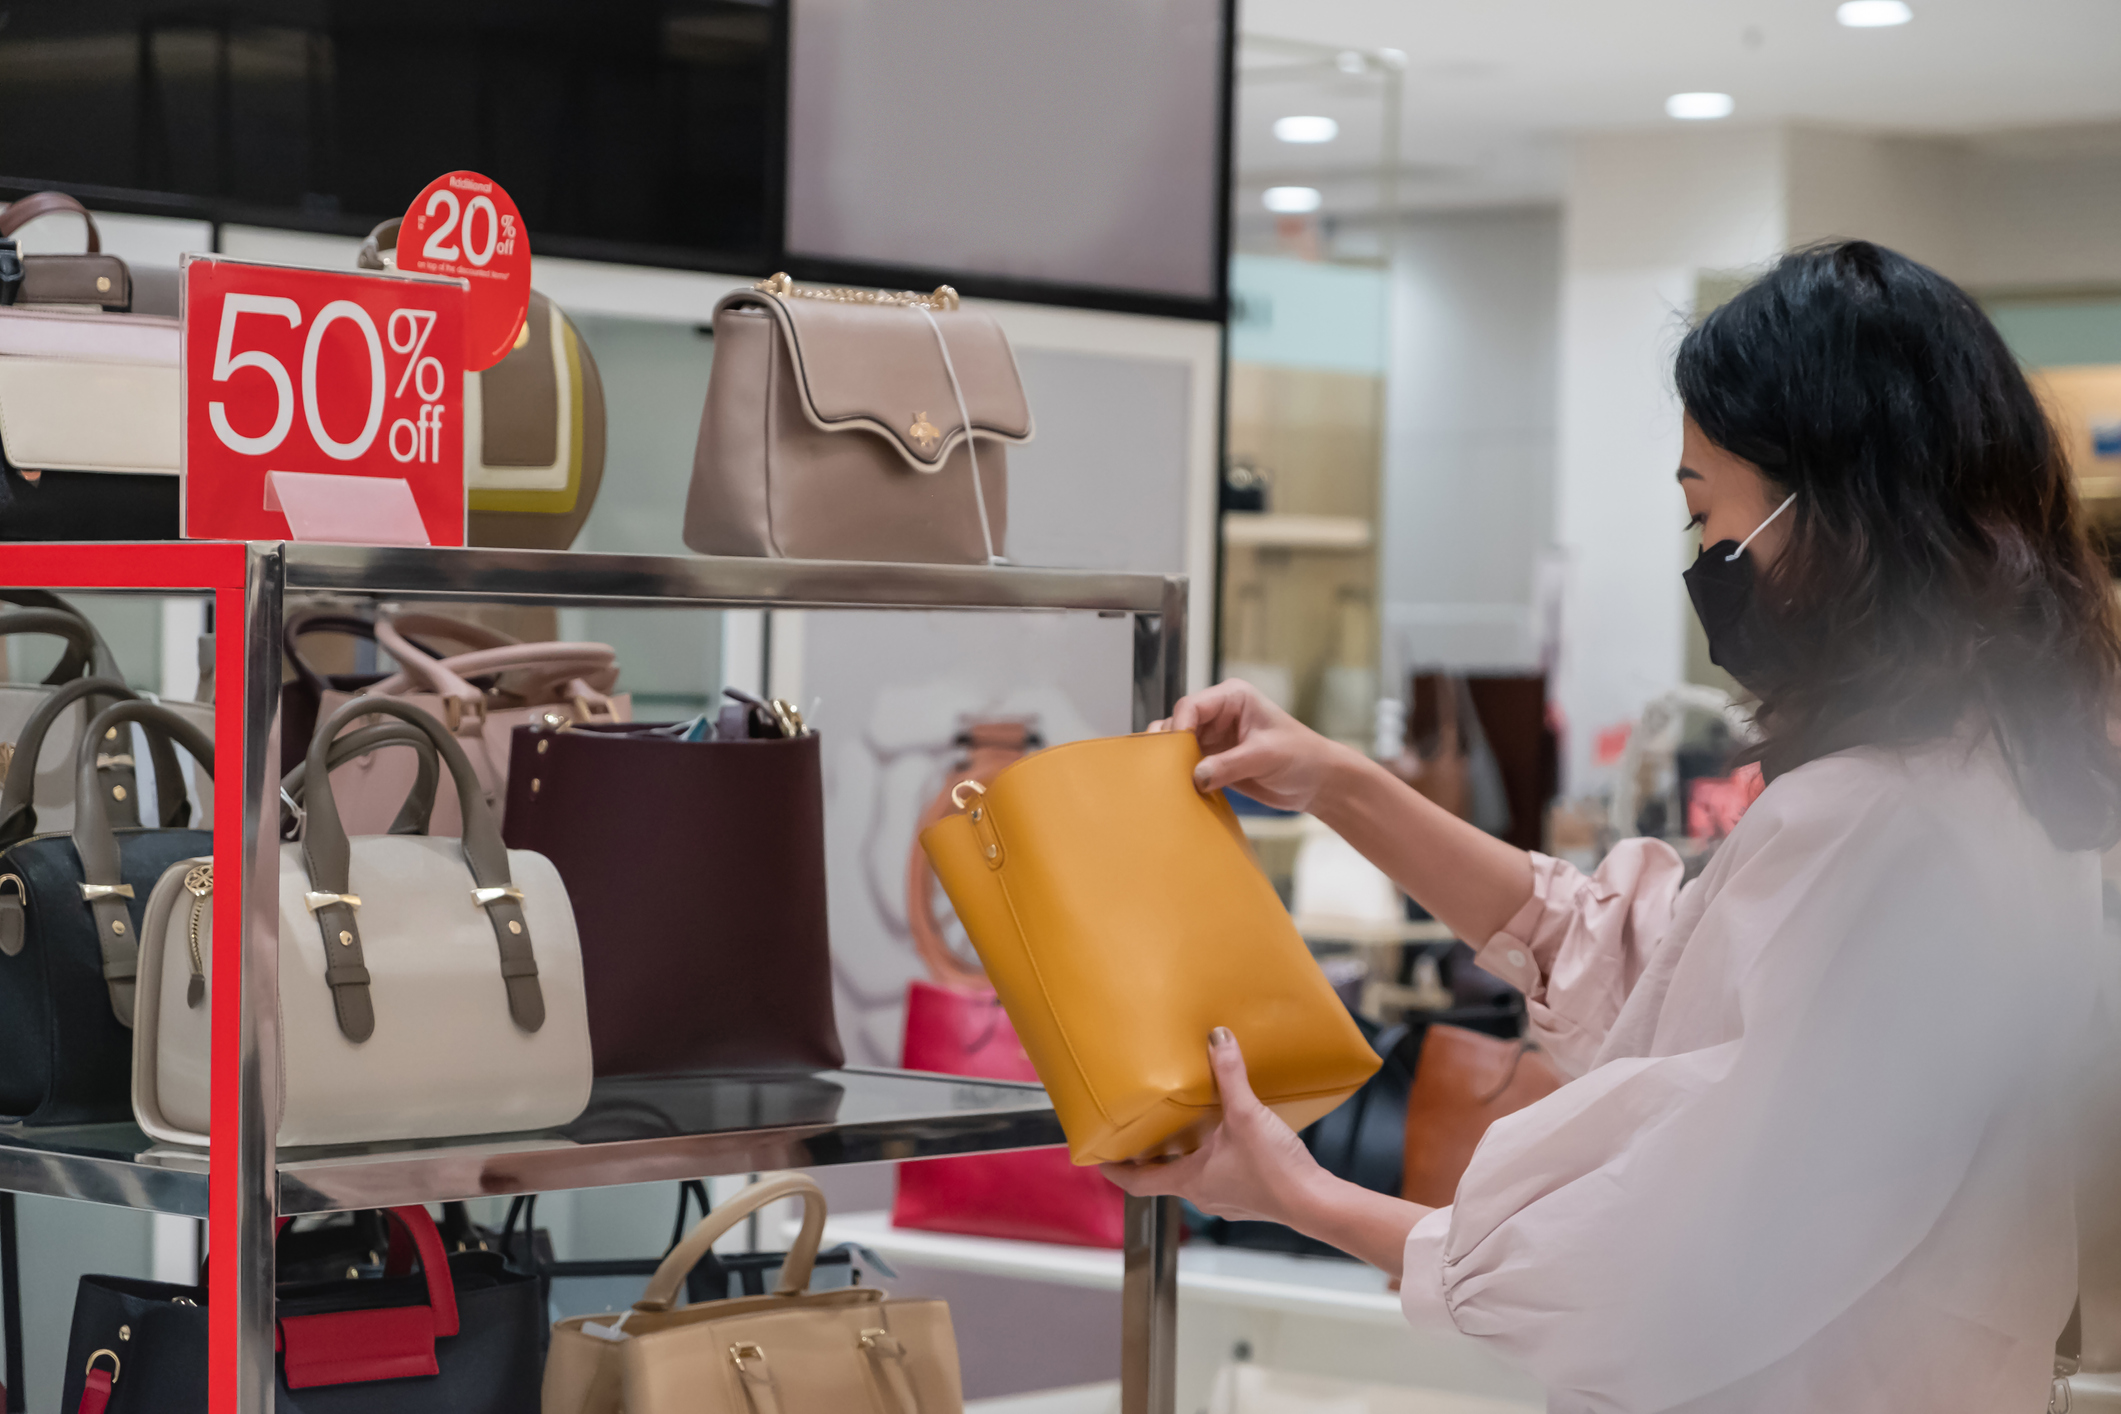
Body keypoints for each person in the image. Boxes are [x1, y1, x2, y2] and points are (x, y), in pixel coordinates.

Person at [1104, 241, 2121, 1412]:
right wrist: (1339, 781)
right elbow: (1658, 979)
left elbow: (1671, 1253)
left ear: (1836, 513)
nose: (1705, 562)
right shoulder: (1997, 784)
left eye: (1710, 516)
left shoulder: (1876, 822)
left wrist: (1305, 1195)